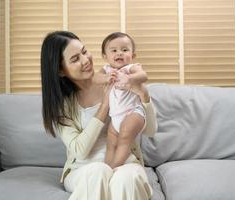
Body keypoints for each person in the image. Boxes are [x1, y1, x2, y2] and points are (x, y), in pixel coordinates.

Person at [40, 30, 157, 200]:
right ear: (60, 71)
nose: (85, 60)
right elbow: (79, 151)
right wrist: (104, 107)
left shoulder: (120, 80)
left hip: (126, 163)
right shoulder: (62, 105)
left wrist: (144, 96)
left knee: (127, 178)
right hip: (84, 169)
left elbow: (151, 131)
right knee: (99, 171)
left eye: (84, 51)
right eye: (75, 59)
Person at [93, 32, 147, 169]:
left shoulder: (130, 68)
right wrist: (105, 78)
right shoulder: (106, 70)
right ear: (105, 56)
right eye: (114, 50)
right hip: (115, 116)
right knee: (111, 143)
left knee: (124, 138)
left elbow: (143, 75)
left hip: (133, 112)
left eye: (125, 50)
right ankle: (107, 168)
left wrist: (130, 78)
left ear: (133, 55)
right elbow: (94, 78)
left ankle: (116, 167)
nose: (120, 53)